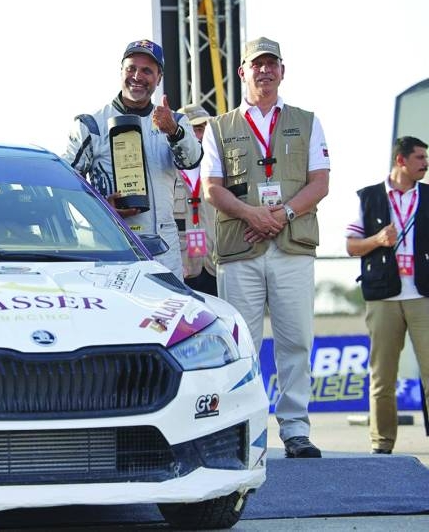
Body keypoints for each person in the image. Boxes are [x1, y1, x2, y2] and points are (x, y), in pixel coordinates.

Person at [201, 36, 330, 459]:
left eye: (271, 64)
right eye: (256, 64)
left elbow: (320, 182)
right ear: (242, 72)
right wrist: (253, 215)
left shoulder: (307, 121)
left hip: (291, 245)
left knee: (296, 340)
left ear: (282, 70)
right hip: (242, 247)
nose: (264, 71)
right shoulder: (220, 127)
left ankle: (295, 430)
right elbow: (211, 189)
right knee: (242, 344)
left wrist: (282, 216)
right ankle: (246, 428)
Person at [64, 39, 202, 278]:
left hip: (164, 245)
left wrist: (173, 132)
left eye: (147, 70)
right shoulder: (92, 124)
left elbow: (191, 161)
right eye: (131, 68)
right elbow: (65, 183)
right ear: (121, 71)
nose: (137, 76)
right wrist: (100, 207)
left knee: (166, 314)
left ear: (158, 78)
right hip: (111, 243)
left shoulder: (174, 121)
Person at [345, 135, 429, 455]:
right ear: (401, 161)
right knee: (382, 377)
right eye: (419, 157)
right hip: (383, 296)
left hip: (423, 294)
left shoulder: (428, 196)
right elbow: (352, 246)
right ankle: (382, 444)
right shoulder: (368, 198)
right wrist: (378, 239)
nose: (425, 163)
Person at [173, 104, 217, 295]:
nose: (200, 135)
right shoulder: (165, 169)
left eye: (204, 129)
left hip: (214, 265)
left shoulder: (218, 168)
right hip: (181, 268)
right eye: (195, 129)